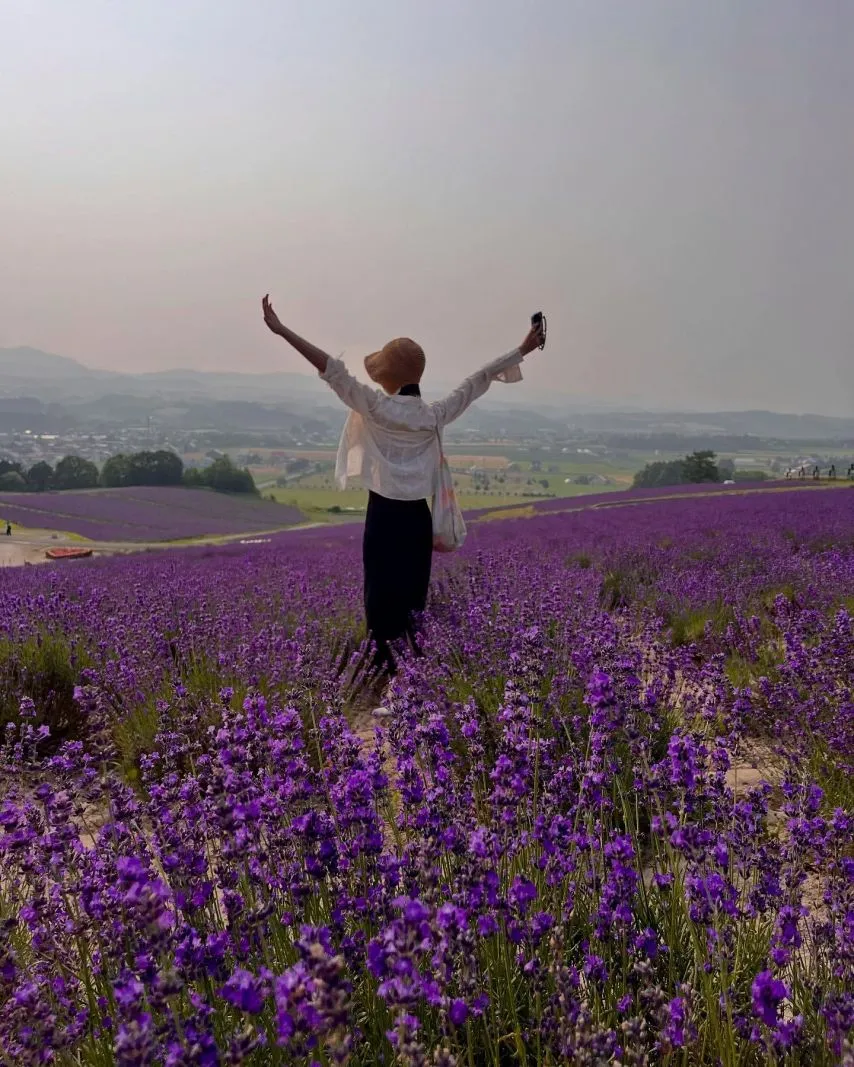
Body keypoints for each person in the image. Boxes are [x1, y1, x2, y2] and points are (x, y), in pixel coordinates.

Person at [261, 295, 544, 708]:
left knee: (380, 600)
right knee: (414, 601)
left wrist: (282, 330)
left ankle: (383, 683)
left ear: (387, 377)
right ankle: (410, 688)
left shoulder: (374, 406)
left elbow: (330, 369)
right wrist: (523, 347)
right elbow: (479, 379)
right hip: (417, 519)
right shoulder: (433, 414)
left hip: (383, 516)